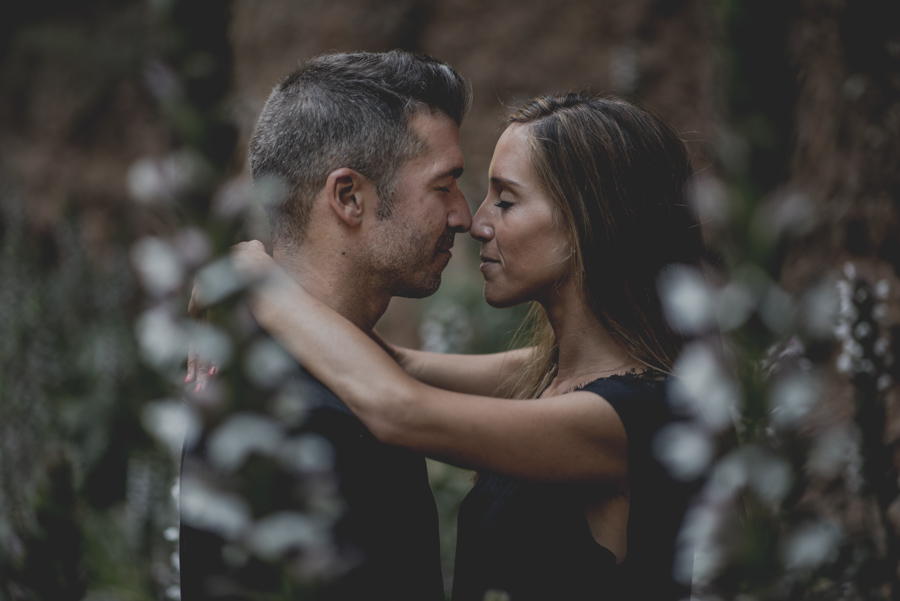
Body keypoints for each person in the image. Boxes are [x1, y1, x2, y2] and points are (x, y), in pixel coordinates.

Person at [221, 93, 708, 600]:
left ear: (591, 221)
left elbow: (399, 408)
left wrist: (261, 287)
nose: (476, 224)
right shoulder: (553, 376)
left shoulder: (640, 414)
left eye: (506, 200)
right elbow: (397, 364)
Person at [180, 50, 473, 600]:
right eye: (443, 186)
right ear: (348, 197)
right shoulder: (309, 418)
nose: (465, 216)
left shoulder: (266, 367)